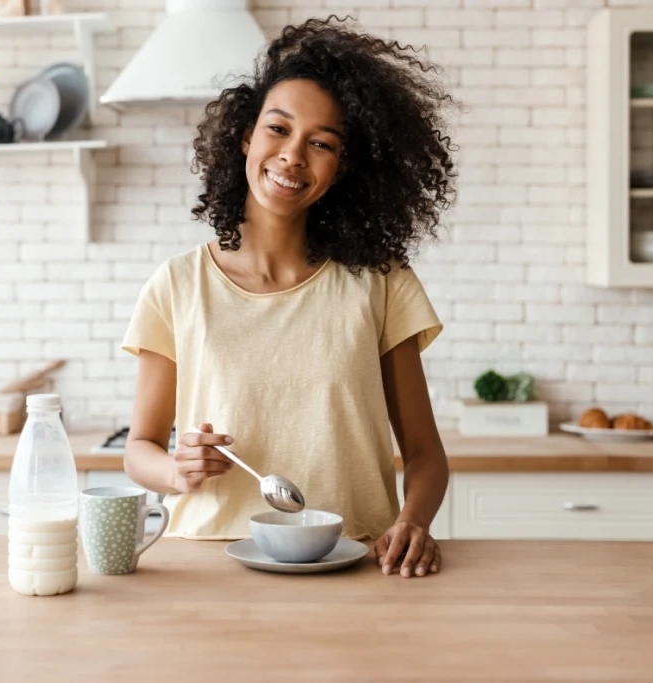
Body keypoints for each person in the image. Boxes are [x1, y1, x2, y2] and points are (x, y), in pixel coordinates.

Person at [121, 16, 457, 579]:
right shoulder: (177, 285)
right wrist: (176, 470)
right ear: (246, 136)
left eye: (321, 143)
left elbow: (425, 455)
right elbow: (140, 448)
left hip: (353, 561)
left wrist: (414, 523)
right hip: (206, 563)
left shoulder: (380, 282)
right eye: (278, 129)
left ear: (342, 167)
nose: (293, 155)